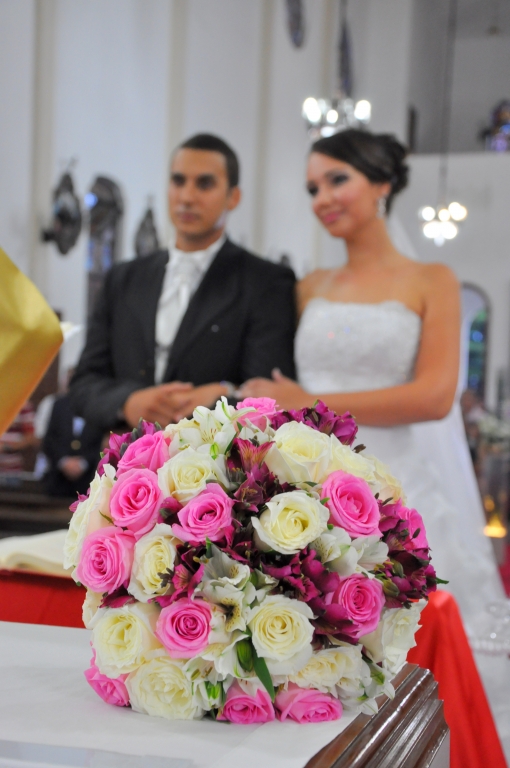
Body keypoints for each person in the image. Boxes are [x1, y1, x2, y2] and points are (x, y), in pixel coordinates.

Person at [240, 128, 505, 629]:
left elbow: (434, 398)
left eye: (337, 179)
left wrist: (307, 399)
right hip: (311, 478)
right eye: (313, 188)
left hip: (395, 479)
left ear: (382, 183)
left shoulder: (432, 280)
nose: (322, 198)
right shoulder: (309, 286)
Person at [70, 134, 296, 431]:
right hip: (125, 453)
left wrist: (220, 396)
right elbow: (83, 384)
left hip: (216, 455)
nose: (187, 197)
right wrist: (128, 402)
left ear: (233, 197)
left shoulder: (266, 282)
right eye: (178, 181)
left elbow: (269, 399)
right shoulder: (123, 279)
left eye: (204, 184)